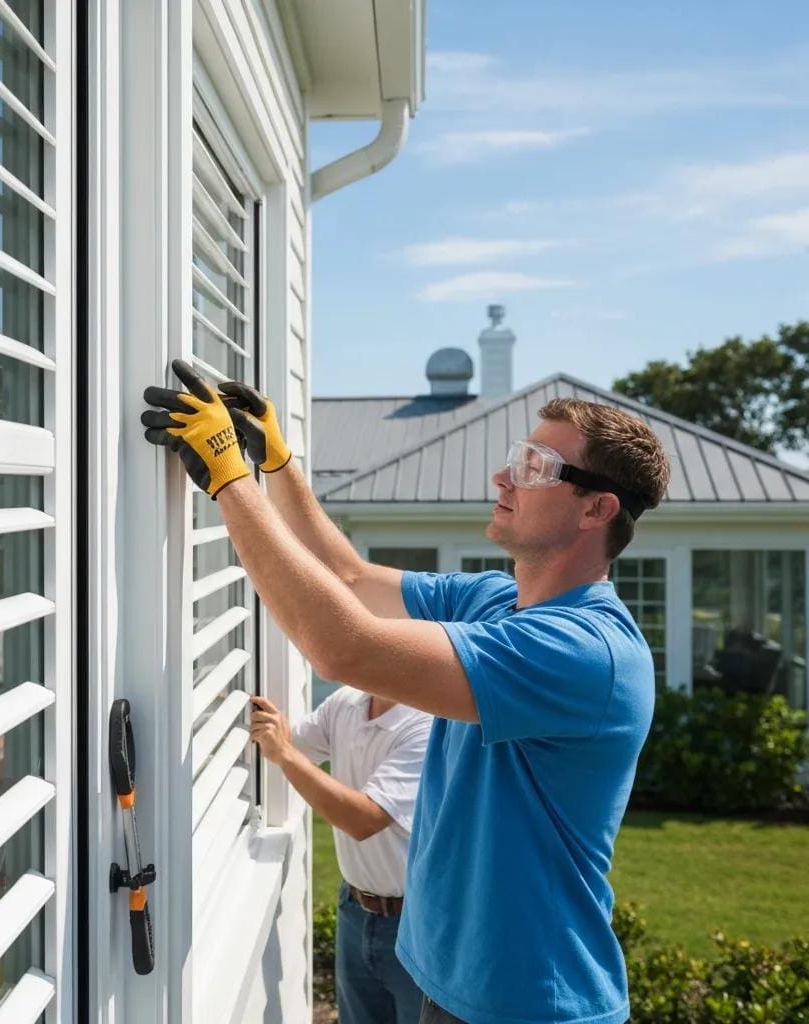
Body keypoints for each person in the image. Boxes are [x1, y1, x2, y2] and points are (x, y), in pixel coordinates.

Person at [142, 361, 671, 1024]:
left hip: (531, 1003)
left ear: (597, 508)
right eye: (516, 456)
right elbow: (349, 575)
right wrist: (275, 465)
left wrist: (228, 478)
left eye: (536, 466)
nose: (504, 477)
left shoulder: (586, 653)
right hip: (447, 984)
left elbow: (345, 648)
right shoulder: (498, 602)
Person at [249, 689, 430, 1024]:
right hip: (355, 909)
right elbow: (288, 743)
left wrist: (285, 754)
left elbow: (364, 820)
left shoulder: (424, 724)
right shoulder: (346, 703)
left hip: (415, 925)